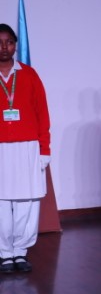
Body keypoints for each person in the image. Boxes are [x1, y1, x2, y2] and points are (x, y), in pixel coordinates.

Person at [0, 24, 51, 274]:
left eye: (9, 42)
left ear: (15, 45)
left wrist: (44, 148)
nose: (4, 47)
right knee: (1, 203)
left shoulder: (29, 75)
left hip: (27, 146)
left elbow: (42, 113)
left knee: (26, 201)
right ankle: (4, 253)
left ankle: (20, 251)